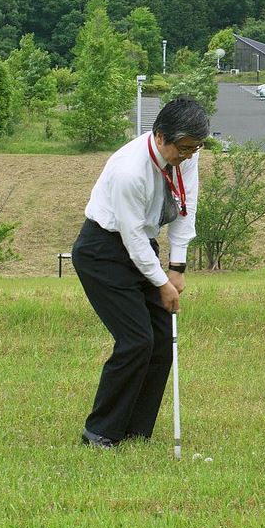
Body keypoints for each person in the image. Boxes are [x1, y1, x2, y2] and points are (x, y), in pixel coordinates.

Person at [72, 97, 209, 448]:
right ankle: (99, 432)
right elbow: (131, 236)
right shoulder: (128, 170)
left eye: (196, 148)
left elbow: (185, 209)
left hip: (143, 247)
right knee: (136, 341)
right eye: (185, 148)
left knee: (162, 341)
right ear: (161, 136)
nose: (190, 155)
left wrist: (176, 267)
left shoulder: (185, 156)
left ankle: (136, 431)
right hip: (103, 251)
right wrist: (162, 283)